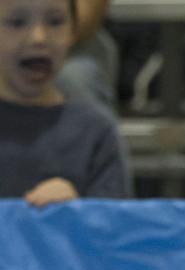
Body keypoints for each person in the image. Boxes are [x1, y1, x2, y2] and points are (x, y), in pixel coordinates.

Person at [0, 0, 129, 207]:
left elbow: (114, 229)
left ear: (73, 33)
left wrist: (76, 212)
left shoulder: (95, 131)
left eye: (55, 22)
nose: (38, 38)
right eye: (17, 22)